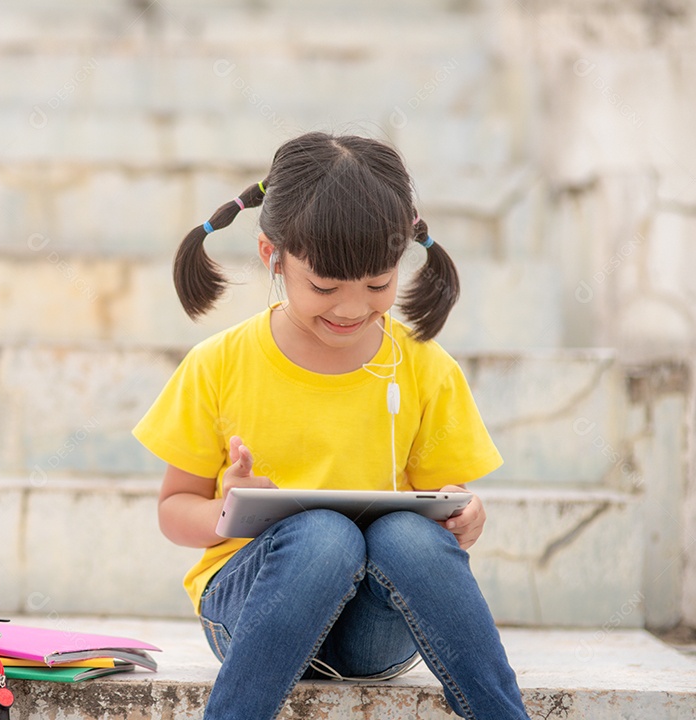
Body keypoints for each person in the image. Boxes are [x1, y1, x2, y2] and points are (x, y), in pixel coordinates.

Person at [132, 132, 529, 720]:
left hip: (375, 633)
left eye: (377, 286)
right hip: (250, 609)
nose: (350, 309)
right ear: (272, 256)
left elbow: (447, 497)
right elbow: (173, 510)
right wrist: (227, 509)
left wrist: (465, 513)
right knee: (323, 535)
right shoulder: (219, 364)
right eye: (323, 287)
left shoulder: (423, 367)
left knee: (406, 535)